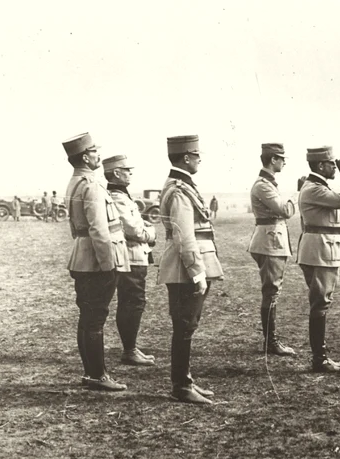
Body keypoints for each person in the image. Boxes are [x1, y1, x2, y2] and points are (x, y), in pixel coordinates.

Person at [158, 135, 224, 404]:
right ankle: (181, 387)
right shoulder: (178, 191)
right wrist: (198, 274)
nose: (199, 159)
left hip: (187, 268)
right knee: (184, 327)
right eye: (196, 155)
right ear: (186, 157)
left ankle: (185, 382)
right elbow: (184, 238)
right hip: (185, 270)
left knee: (187, 326)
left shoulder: (183, 187)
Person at [63, 132, 130, 391]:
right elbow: (99, 229)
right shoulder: (91, 184)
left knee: (87, 317)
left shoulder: (76, 182)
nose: (98, 155)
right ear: (84, 156)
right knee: (95, 318)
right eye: (94, 151)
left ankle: (92, 373)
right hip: (97, 259)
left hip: (83, 256)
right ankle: (97, 375)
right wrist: (107, 264)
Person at [297, 146, 340, 373]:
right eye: (331, 163)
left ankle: (320, 358)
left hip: (323, 250)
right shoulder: (314, 188)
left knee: (321, 303)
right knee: (320, 303)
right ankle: (319, 359)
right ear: (321, 166)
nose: (335, 167)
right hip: (322, 252)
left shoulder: (316, 187)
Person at [103, 155, 157, 366]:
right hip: (131, 257)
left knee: (134, 301)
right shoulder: (117, 197)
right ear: (116, 173)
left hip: (134, 256)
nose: (130, 173)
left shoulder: (121, 195)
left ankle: (131, 348)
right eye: (127, 170)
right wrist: (151, 233)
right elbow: (134, 228)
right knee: (132, 302)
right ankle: (129, 350)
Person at [247, 143, 297, 357]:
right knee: (271, 292)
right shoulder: (263, 185)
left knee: (272, 291)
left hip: (272, 240)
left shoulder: (267, 183)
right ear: (273, 159)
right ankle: (271, 342)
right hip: (270, 242)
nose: (284, 162)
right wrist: (298, 193)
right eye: (282, 158)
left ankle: (271, 340)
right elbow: (285, 210)